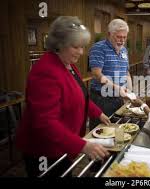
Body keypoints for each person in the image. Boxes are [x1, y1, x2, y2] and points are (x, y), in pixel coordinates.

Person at [15, 16, 111, 177]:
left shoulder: (69, 64)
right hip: (44, 150)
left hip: (63, 144)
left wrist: (98, 113)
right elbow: (45, 123)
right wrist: (82, 145)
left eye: (82, 47)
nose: (81, 52)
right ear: (59, 44)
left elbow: (80, 94)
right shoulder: (45, 71)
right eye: (76, 47)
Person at [88, 19, 132, 129]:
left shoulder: (124, 50)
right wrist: (118, 88)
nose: (122, 41)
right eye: (118, 37)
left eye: (124, 37)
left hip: (118, 98)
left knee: (117, 129)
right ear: (109, 34)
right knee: (101, 131)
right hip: (102, 99)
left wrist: (130, 91)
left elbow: (126, 73)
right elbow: (97, 74)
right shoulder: (99, 48)